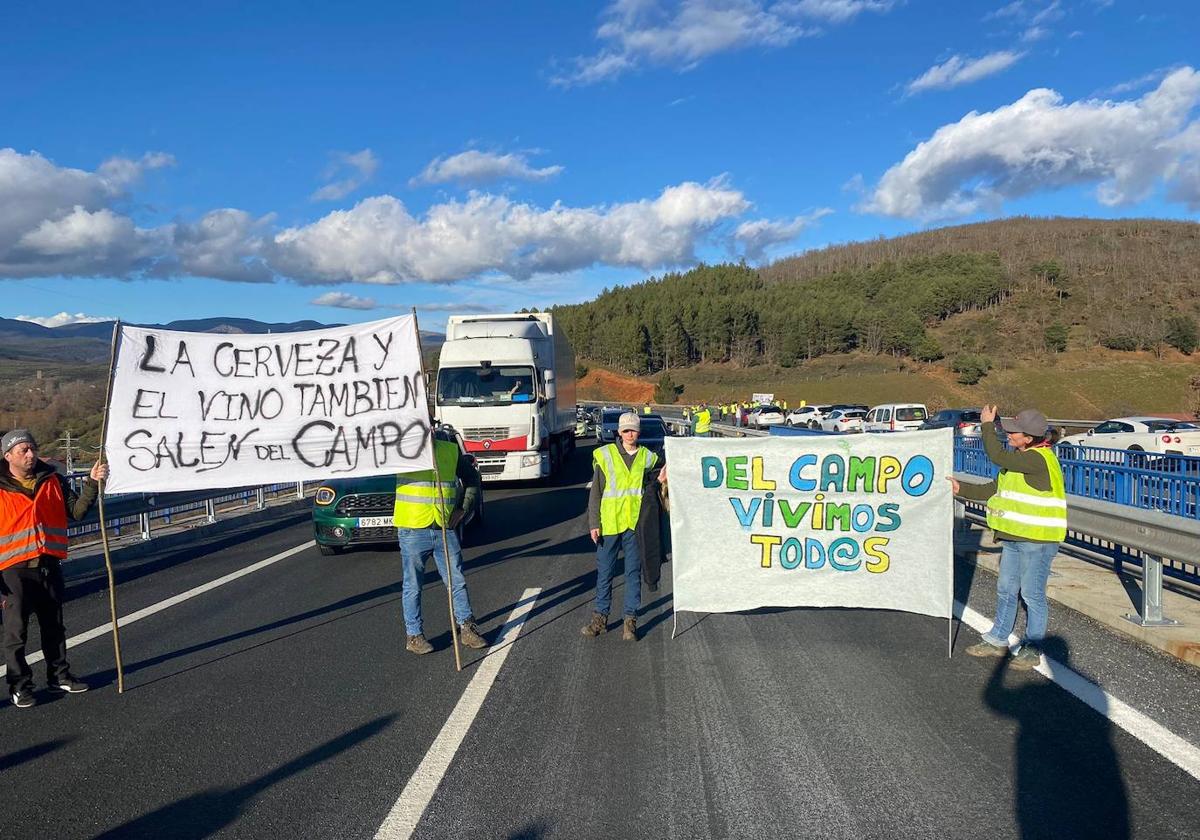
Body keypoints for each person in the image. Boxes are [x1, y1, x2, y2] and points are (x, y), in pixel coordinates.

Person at [948, 406, 1067, 670]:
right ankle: (997, 638)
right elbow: (995, 488)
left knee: (1032, 594)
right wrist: (962, 489)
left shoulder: (1038, 459)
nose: (1009, 436)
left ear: (1030, 438)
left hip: (1038, 540)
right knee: (1005, 589)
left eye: (1015, 433)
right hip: (1013, 537)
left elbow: (996, 455)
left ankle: (1032, 648)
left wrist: (988, 426)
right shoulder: (1019, 458)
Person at [1, 429, 107, 708]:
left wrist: (92, 483)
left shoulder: (53, 480)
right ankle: (20, 686)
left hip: (48, 565)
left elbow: (76, 512)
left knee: (54, 627)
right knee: (16, 633)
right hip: (12, 571)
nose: (30, 454)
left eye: (32, 448)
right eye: (23, 450)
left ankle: (59, 675)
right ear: (7, 455)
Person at [394, 428, 487, 655]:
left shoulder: (449, 451)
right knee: (413, 585)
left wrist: (463, 509)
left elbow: (472, 478)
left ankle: (467, 628)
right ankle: (414, 636)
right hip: (413, 528)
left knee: (456, 580)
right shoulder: (400, 450)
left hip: (444, 528)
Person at [582, 412, 666, 642]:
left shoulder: (647, 457)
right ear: (619, 432)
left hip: (635, 525)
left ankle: (630, 621)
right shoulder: (605, 455)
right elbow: (596, 493)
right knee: (606, 572)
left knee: (632, 573)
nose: (630, 434)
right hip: (609, 525)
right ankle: (600, 619)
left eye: (634, 430)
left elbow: (661, 472)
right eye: (626, 430)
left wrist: (663, 475)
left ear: (639, 432)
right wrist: (593, 523)